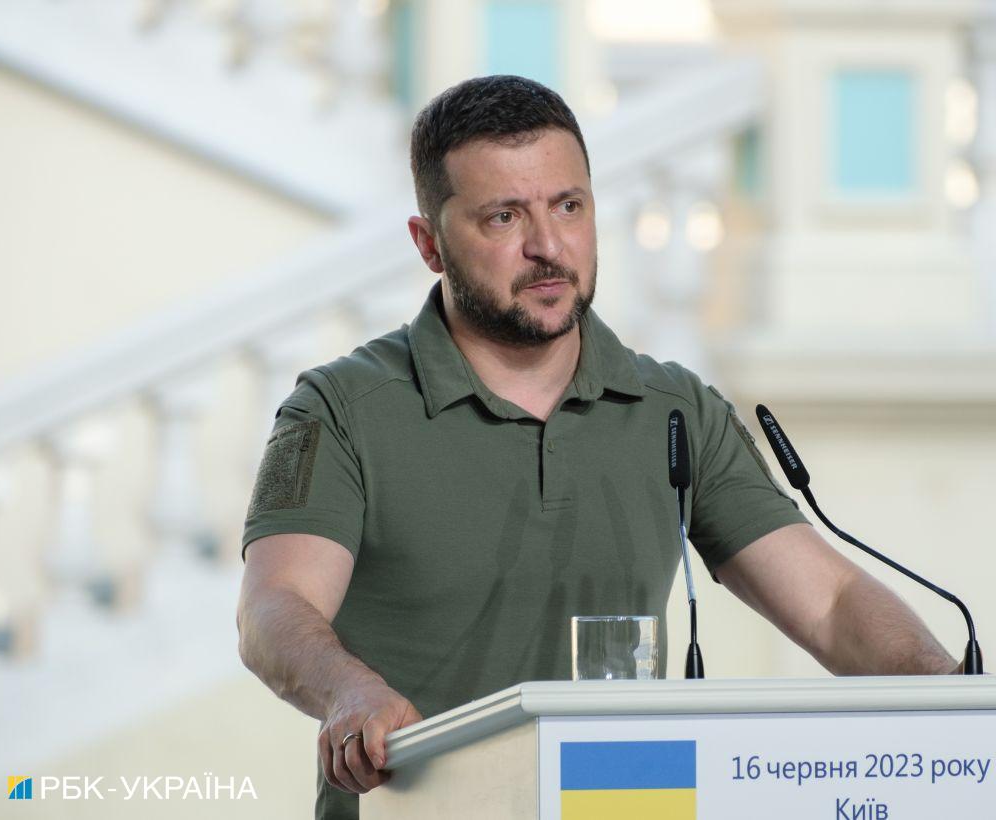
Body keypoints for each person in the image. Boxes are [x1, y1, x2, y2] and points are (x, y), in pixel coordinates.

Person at [235, 74, 958, 820]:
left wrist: (948, 690)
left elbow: (831, 604)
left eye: (569, 207)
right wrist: (349, 693)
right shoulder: (340, 409)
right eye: (504, 217)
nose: (548, 247)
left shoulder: (676, 410)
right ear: (430, 245)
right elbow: (272, 608)